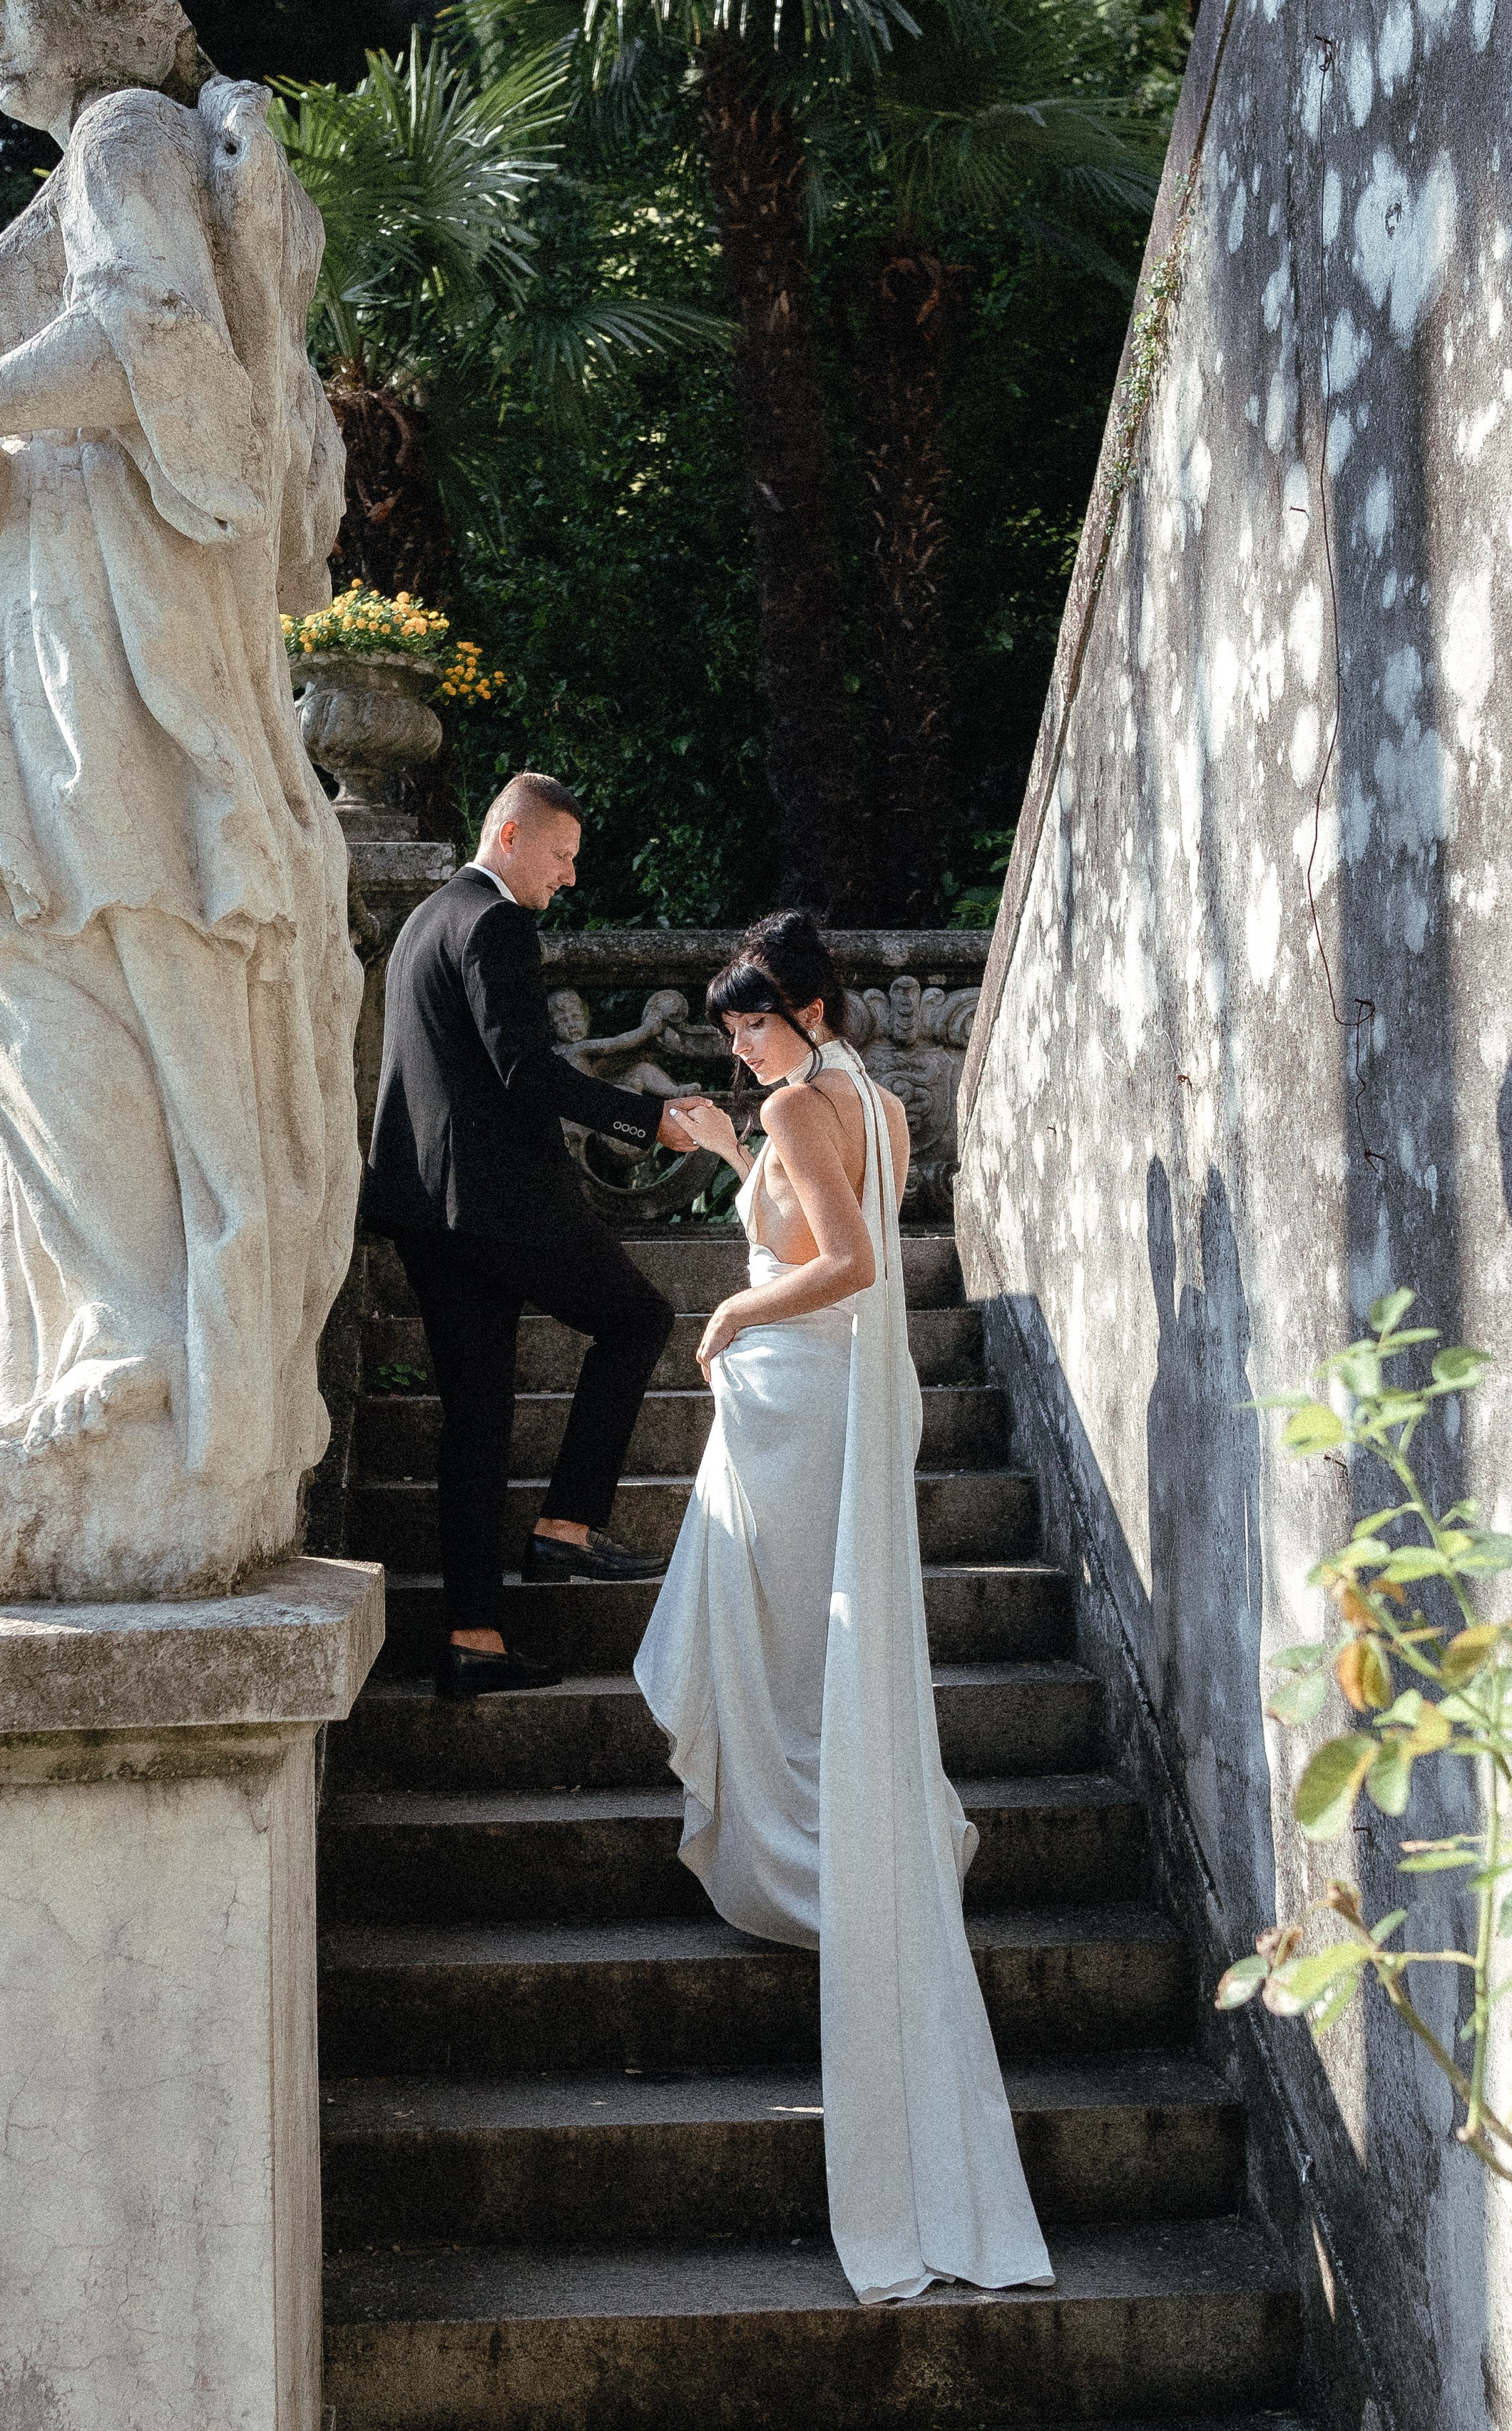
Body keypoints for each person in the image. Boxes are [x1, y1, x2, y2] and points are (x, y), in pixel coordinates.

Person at [0, 0, 359, 1600]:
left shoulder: (124, 136)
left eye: (0, 5)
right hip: (61, 618)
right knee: (32, 948)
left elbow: (163, 350)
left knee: (83, 937)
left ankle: (144, 1361)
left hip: (107, 631)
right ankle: (112, 1349)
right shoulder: (86, 170)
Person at [640, 909, 1053, 2305]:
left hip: (803, 1398)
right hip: (831, 1402)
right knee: (784, 1637)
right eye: (727, 1028)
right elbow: (821, 1202)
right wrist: (724, 1152)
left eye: (750, 1021)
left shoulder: (811, 1100)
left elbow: (846, 1264)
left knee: (772, 1644)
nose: (736, 1045)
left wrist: (726, 1321)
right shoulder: (855, 1103)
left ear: (809, 1010)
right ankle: (824, 1845)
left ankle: (802, 1863)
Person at [362, 773, 708, 1698]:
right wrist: (649, 1119)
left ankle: (475, 1638)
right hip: (502, 1206)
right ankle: (565, 1526)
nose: (567, 879)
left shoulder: (425, 923)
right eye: (561, 857)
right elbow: (522, 1067)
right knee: (636, 1320)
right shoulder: (497, 922)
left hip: (426, 1212)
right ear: (510, 836)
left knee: (475, 1424)